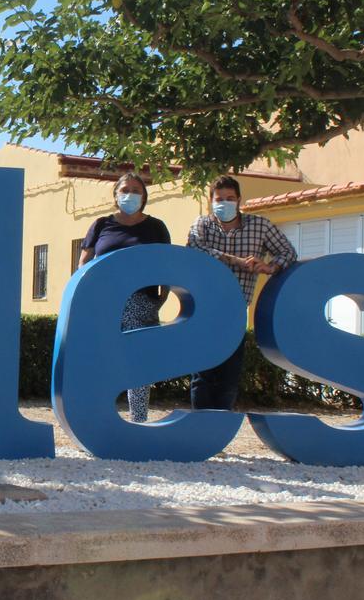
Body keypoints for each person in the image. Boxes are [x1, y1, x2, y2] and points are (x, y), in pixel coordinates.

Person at [186, 174, 297, 410]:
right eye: (219, 198)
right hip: (205, 308)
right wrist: (233, 260)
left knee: (228, 377)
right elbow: (196, 249)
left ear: (239, 200)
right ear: (210, 201)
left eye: (229, 198)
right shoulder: (202, 225)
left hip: (235, 310)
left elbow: (288, 252)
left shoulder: (260, 226)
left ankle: (218, 432)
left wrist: (270, 266)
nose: (224, 203)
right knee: (202, 375)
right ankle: (199, 434)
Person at [76, 172, 171, 423]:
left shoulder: (156, 227)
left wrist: (160, 298)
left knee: (137, 363)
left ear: (145, 196)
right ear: (116, 195)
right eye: (125, 190)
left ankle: (138, 420)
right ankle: (95, 418)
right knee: (102, 359)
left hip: (142, 302)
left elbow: (167, 264)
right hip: (104, 302)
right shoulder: (101, 224)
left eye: (136, 190)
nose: (130, 195)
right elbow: (84, 262)